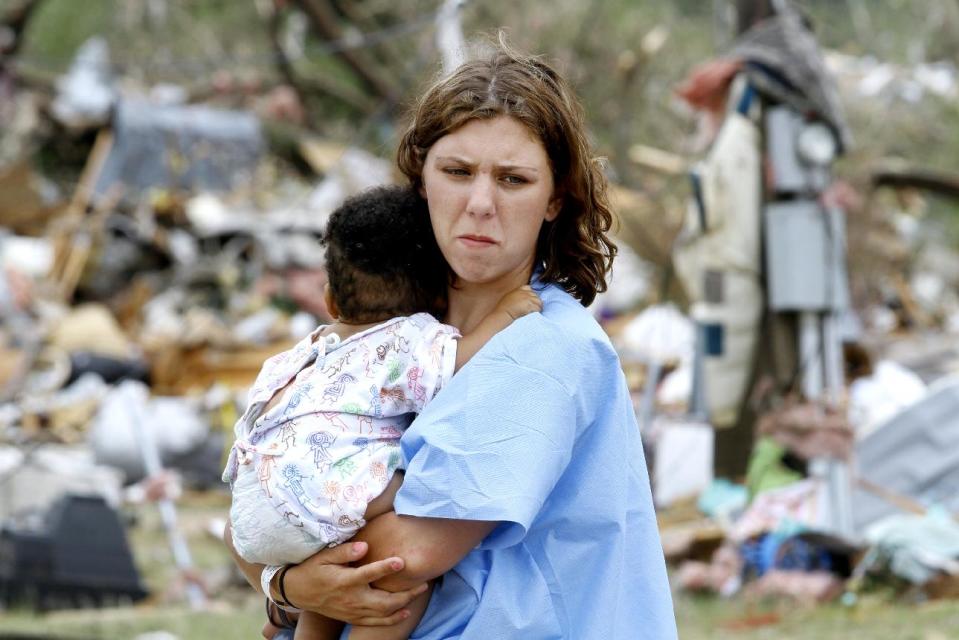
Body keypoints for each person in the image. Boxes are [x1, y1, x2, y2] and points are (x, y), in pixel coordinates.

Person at [228, 40, 677, 639]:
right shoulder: (391, 340)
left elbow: (404, 553)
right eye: (457, 172)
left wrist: (291, 582)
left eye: (513, 180)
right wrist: (285, 586)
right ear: (422, 182)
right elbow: (247, 516)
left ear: (554, 200)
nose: (480, 204)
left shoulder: (544, 349)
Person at [223, 185, 542, 639]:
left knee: (336, 554)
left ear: (331, 301)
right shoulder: (409, 338)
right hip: (319, 495)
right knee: (408, 555)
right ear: (435, 300)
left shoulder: (308, 348)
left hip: (254, 502)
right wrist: (505, 314)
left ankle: (293, 627)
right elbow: (455, 363)